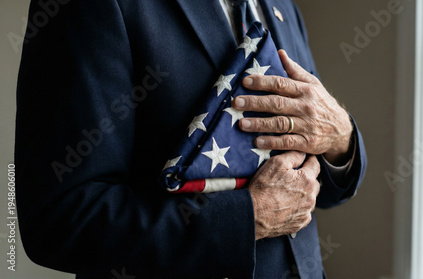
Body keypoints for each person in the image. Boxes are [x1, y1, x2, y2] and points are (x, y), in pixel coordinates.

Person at [15, 0, 367, 278]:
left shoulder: (282, 6)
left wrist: (340, 137)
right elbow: (57, 220)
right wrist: (249, 216)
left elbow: (317, 190)